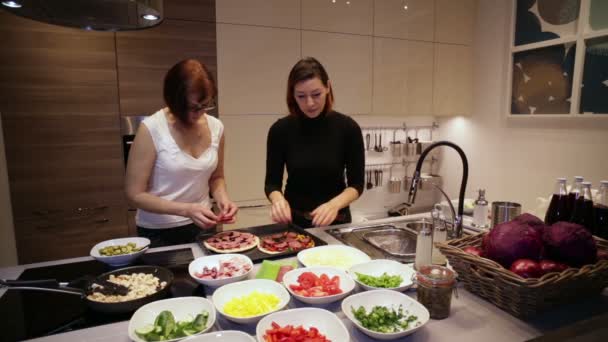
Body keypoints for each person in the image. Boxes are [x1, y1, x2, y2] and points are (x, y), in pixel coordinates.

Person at [125, 59, 238, 247]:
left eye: (206, 105)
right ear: (174, 100)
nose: (200, 113)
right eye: (193, 107)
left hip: (204, 224)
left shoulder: (216, 127)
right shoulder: (151, 129)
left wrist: (223, 199)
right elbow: (134, 194)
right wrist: (186, 210)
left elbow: (216, 177)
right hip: (158, 231)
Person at [264, 57, 365, 228]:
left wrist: (333, 205)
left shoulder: (348, 127)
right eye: (301, 96)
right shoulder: (280, 130)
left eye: (316, 94)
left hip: (336, 222)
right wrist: (278, 200)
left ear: (328, 87)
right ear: (292, 95)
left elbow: (357, 185)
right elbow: (271, 183)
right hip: (295, 223)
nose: (309, 103)